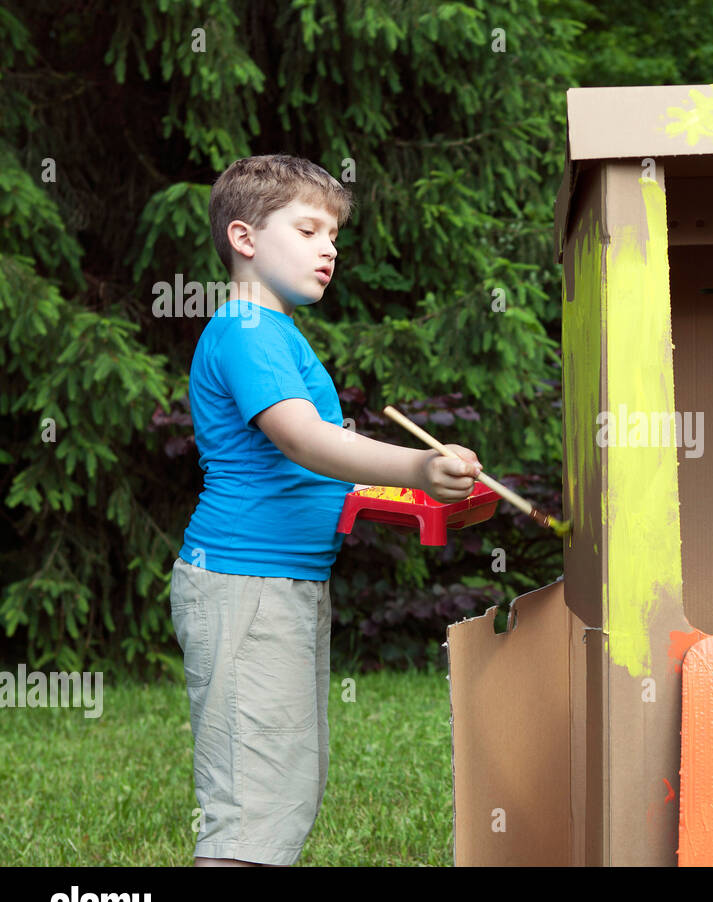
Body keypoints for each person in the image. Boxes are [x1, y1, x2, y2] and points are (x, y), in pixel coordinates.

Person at [170, 154, 481, 866]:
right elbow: (304, 441)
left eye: (334, 236)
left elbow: (319, 455)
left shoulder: (275, 334)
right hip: (247, 586)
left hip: (278, 585)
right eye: (309, 229)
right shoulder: (248, 330)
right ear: (245, 238)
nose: (329, 249)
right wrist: (418, 468)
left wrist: (398, 490)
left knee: (279, 794)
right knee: (251, 809)